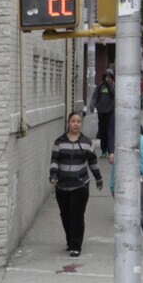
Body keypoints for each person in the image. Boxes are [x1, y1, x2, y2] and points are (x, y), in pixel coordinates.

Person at [49, 111, 103, 259]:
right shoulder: (59, 142)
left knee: (77, 216)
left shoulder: (86, 142)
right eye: (73, 121)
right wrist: (53, 175)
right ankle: (70, 240)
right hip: (62, 185)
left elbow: (92, 161)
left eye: (78, 121)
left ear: (81, 124)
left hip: (81, 185)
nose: (76, 124)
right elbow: (54, 160)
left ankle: (76, 245)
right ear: (68, 123)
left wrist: (98, 177)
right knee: (65, 215)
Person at [94, 69, 116, 159]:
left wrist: (109, 85)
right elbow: (95, 96)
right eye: (107, 77)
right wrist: (92, 106)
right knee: (102, 131)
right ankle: (103, 150)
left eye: (110, 77)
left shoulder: (113, 86)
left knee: (110, 131)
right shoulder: (100, 86)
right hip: (101, 112)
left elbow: (114, 95)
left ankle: (110, 150)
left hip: (110, 112)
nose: (108, 79)